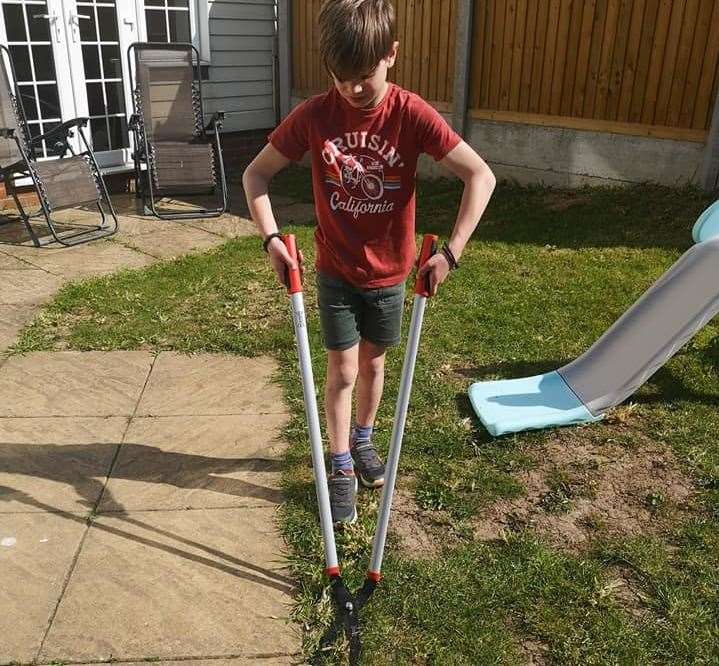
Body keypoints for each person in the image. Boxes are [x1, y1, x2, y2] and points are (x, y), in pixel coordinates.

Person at [242, 0, 496, 525]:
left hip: (391, 274)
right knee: (343, 366)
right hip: (336, 269)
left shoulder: (410, 113)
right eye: (340, 78)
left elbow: (480, 176)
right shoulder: (315, 116)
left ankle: (362, 440)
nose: (352, 90)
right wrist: (271, 239)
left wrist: (451, 252)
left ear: (391, 55)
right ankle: (338, 464)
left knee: (374, 364)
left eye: (364, 76)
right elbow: (255, 176)